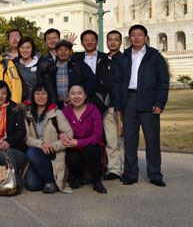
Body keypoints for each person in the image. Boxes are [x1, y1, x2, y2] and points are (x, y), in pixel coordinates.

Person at [114, 24, 169, 187]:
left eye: (139, 34)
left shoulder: (155, 56)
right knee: (130, 140)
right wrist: (119, 104)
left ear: (145, 37)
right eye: (133, 35)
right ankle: (130, 174)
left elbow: (163, 81)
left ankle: (155, 174)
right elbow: (117, 82)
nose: (136, 37)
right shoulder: (124, 56)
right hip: (128, 101)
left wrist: (159, 102)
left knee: (152, 140)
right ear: (129, 38)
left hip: (149, 101)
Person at [24, 83, 73, 194]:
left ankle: (50, 181)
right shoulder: (28, 115)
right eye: (37, 94)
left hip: (53, 154)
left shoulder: (57, 113)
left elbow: (69, 134)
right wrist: (41, 144)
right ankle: (49, 178)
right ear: (33, 96)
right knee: (32, 185)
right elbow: (26, 138)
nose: (40, 97)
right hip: (38, 153)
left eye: (43, 94)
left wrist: (53, 146)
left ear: (48, 96)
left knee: (31, 152)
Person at [61, 84, 107, 194]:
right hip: (73, 147)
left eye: (80, 93)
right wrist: (61, 135)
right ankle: (78, 177)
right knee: (71, 158)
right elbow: (59, 129)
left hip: (91, 145)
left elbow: (97, 136)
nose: (76, 97)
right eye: (73, 93)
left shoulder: (94, 110)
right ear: (69, 97)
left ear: (85, 95)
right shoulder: (65, 111)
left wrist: (78, 142)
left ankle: (96, 181)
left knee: (90, 150)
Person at [95, 30, 124, 181]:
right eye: (110, 40)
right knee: (111, 140)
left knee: (123, 140)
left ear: (120, 42)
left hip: (122, 107)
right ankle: (115, 169)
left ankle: (126, 168)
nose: (112, 42)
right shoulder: (103, 62)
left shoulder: (125, 59)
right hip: (108, 106)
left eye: (116, 40)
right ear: (106, 42)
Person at [45, 40, 96, 109]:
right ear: (56, 53)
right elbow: (50, 89)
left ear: (71, 52)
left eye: (66, 49)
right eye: (60, 50)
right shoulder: (51, 68)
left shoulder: (79, 65)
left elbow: (92, 82)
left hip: (79, 105)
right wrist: (59, 103)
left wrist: (79, 98)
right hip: (59, 106)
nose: (63, 52)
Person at [14, 37, 45, 104]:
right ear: (18, 49)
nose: (25, 50)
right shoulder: (14, 64)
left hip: (38, 102)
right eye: (22, 48)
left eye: (28, 48)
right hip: (21, 103)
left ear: (32, 49)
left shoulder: (41, 64)